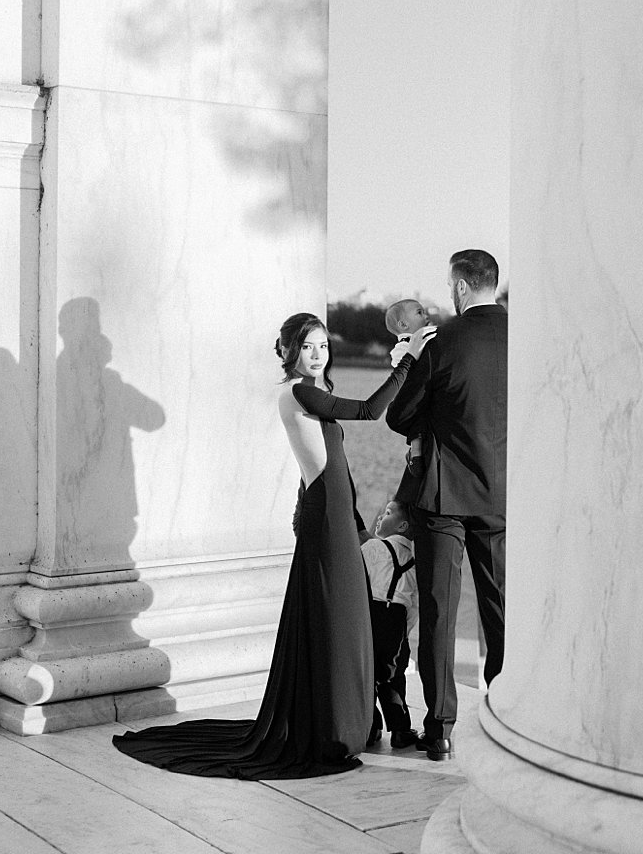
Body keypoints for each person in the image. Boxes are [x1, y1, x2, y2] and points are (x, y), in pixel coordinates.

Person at [113, 312, 429, 780]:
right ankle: (336, 728)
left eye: (323, 345)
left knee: (341, 615)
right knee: (338, 613)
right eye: (308, 347)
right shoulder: (299, 391)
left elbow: (317, 463)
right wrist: (405, 363)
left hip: (334, 516)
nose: (318, 354)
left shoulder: (308, 394)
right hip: (329, 521)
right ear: (289, 352)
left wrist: (323, 511)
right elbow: (368, 411)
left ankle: (344, 723)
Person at [386, 250, 507, 761]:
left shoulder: (441, 342)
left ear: (459, 287)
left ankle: (440, 730)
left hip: (440, 495)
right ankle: (507, 710)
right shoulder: (531, 336)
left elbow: (398, 414)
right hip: (502, 493)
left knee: (438, 610)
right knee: (501, 605)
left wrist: (425, 425)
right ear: (492, 285)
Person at [361, 499, 418, 749]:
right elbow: (414, 605)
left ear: (403, 525)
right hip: (397, 620)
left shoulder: (373, 548)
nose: (380, 518)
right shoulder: (415, 562)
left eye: (387, 513)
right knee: (392, 677)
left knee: (366, 674)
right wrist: (404, 630)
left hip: (370, 614)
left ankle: (370, 728)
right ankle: (400, 730)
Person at [384, 299, 435, 509]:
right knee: (418, 424)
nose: (426, 315)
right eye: (419, 312)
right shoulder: (409, 342)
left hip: (413, 395)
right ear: (404, 325)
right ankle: (415, 454)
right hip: (412, 393)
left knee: (418, 427)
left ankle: (416, 454)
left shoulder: (414, 339)